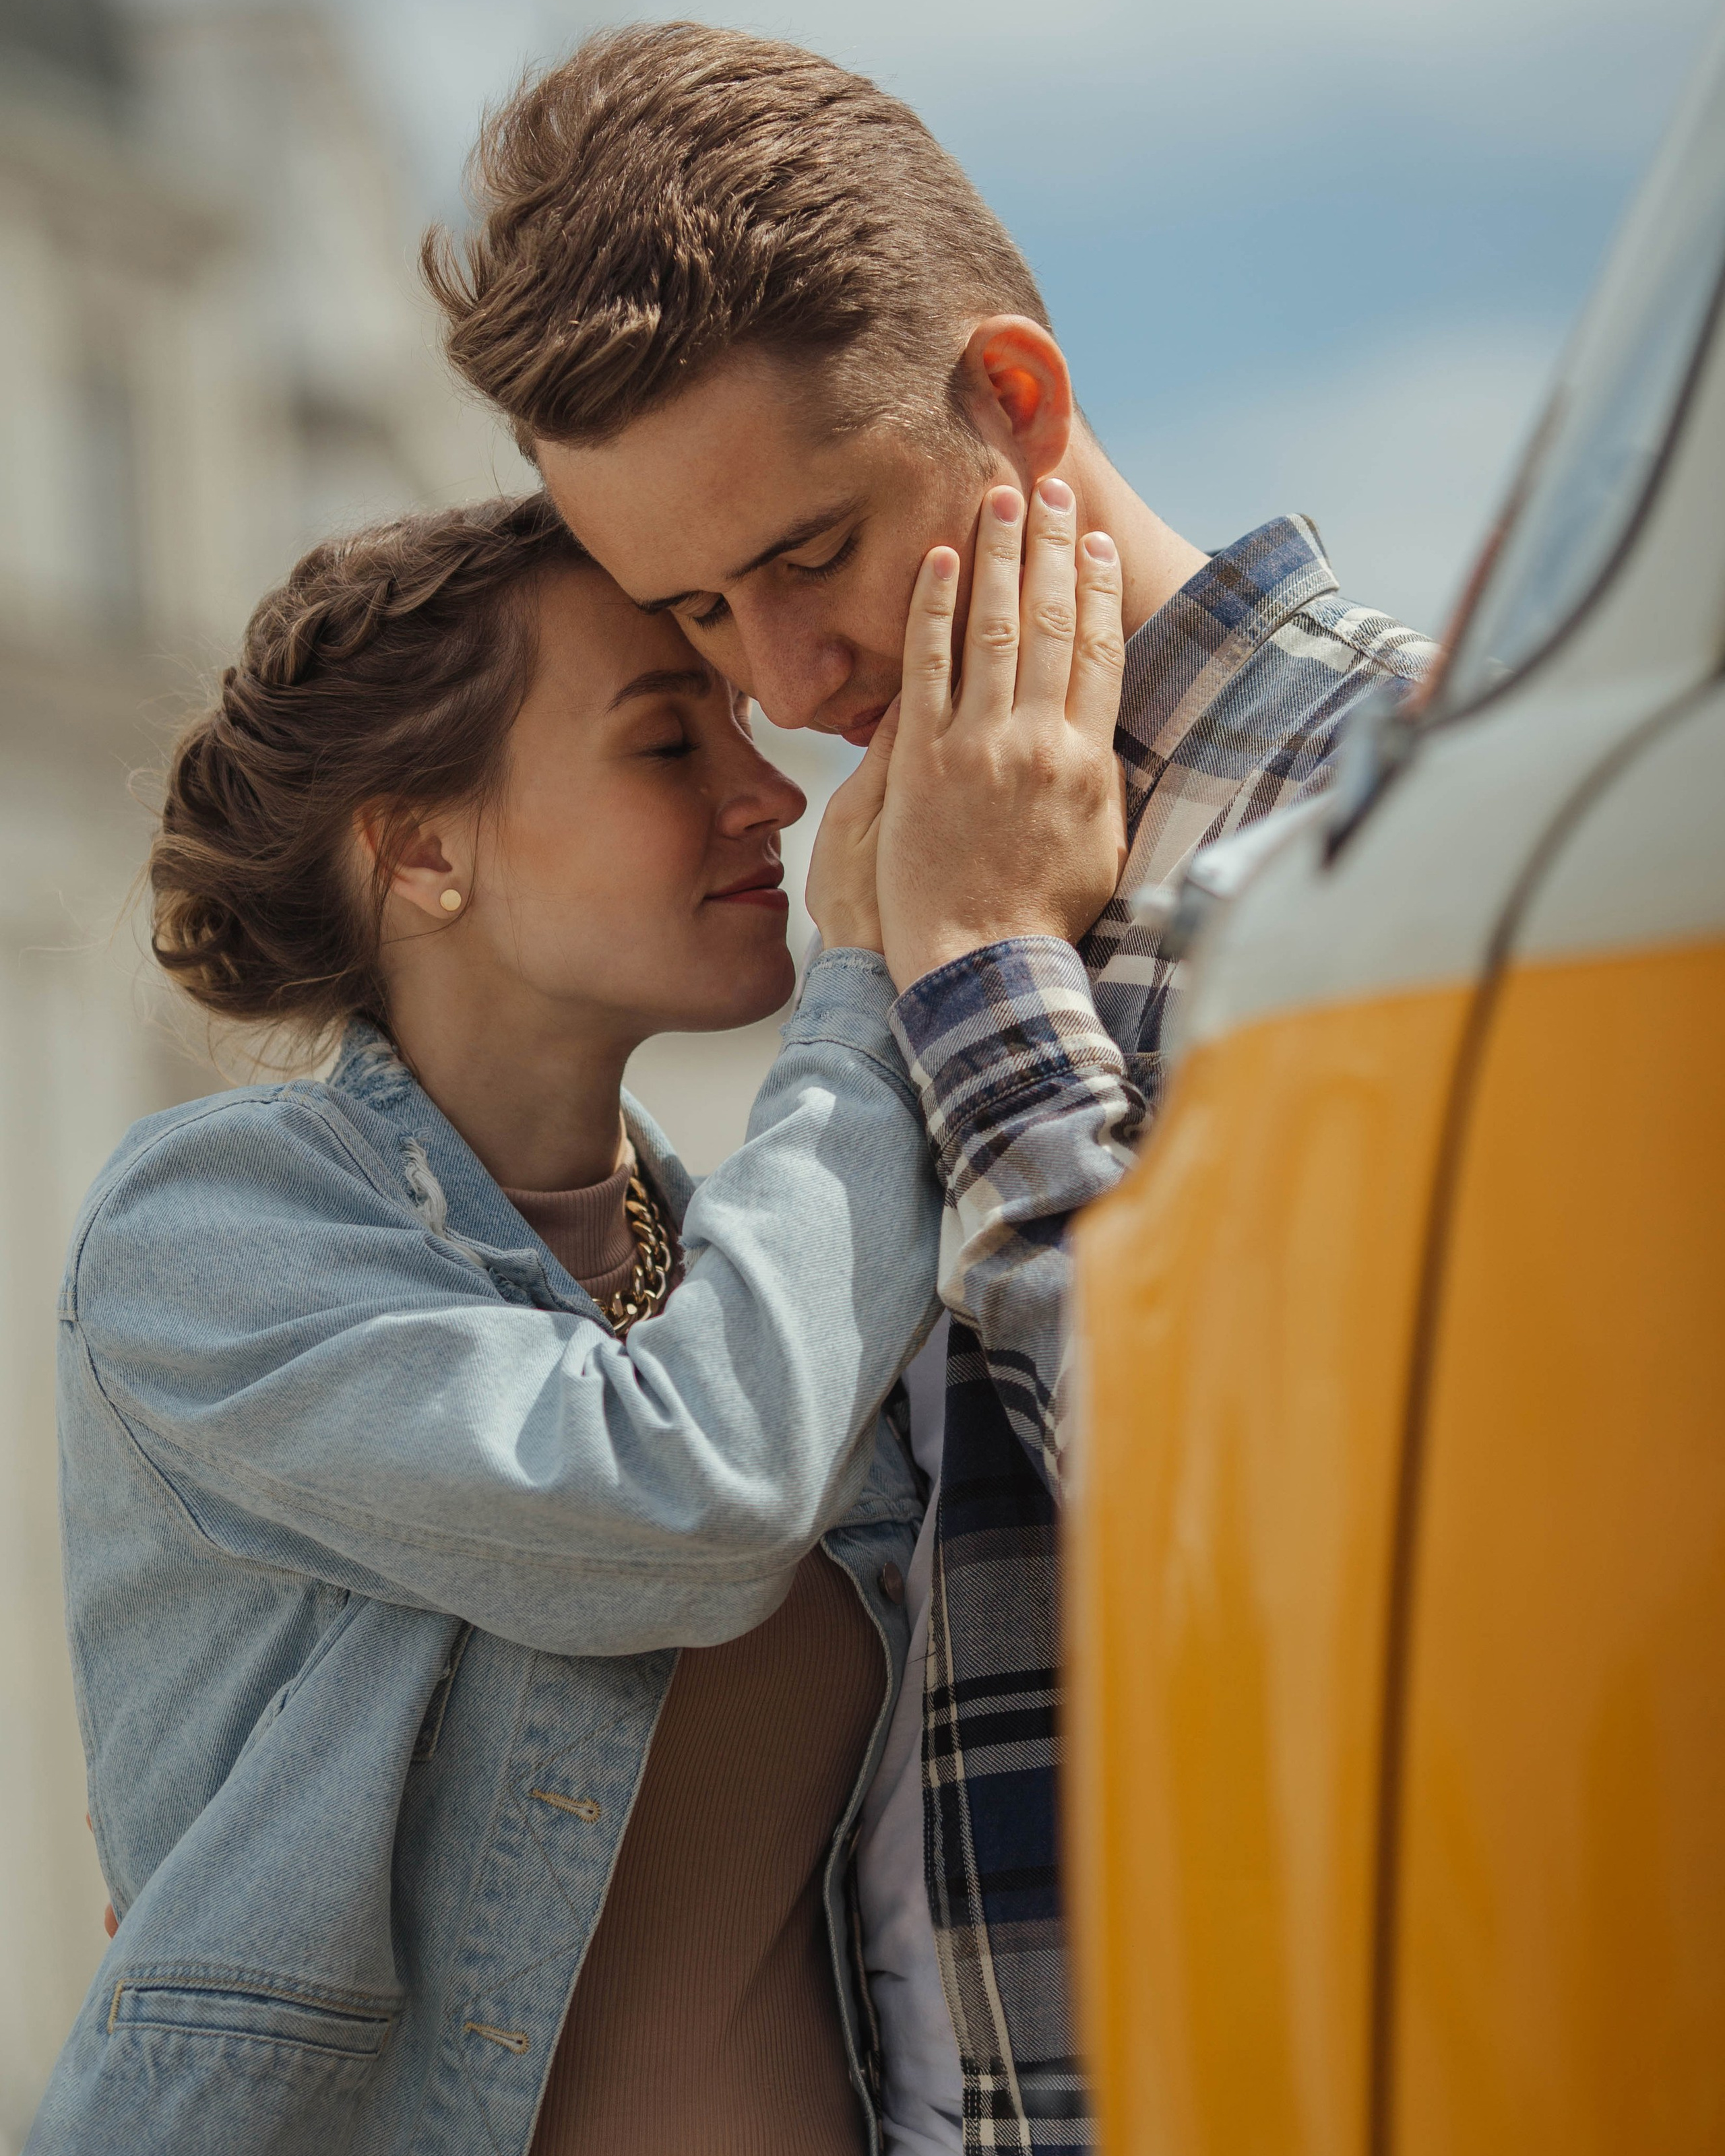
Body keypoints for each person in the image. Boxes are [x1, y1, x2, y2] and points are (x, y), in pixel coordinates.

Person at [424, 27, 1442, 2152]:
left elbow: (1305, 1537)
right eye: (697, 611)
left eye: (811, 553)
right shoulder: (874, 895)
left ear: (1018, 398)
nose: (784, 688)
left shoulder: (1428, 810)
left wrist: (986, 972)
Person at [30, 489, 1125, 2156]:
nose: (771, 796)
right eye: (665, 746)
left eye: (746, 738)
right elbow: (678, 1500)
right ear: (422, 847)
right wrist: (862, 988)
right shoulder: (212, 1237)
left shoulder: (764, 1271)